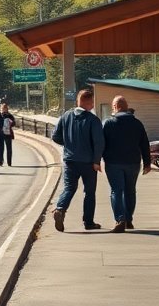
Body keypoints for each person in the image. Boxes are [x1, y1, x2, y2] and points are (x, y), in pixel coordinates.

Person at [51, 88, 105, 232]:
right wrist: (96, 161)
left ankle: (60, 209)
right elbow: (99, 142)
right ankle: (88, 222)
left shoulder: (66, 116)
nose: (93, 105)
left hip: (70, 161)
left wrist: (68, 144)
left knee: (69, 188)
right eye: (91, 102)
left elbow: (55, 136)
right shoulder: (93, 120)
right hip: (88, 162)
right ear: (86, 102)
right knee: (89, 192)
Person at [102, 95, 151, 233]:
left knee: (116, 191)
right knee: (130, 191)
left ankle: (120, 219)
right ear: (126, 106)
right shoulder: (137, 123)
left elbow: (101, 143)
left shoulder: (108, 123)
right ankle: (128, 219)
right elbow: (144, 144)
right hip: (133, 163)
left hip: (113, 163)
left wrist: (96, 160)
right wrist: (147, 163)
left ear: (115, 107)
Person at [0, 99, 16, 167]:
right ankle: (3, 161)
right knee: (4, 148)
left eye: (4, 108)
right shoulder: (2, 115)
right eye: (3, 108)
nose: (4, 110)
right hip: (3, 134)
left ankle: (6, 162)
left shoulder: (7, 115)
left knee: (5, 148)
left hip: (5, 134)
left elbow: (14, 123)